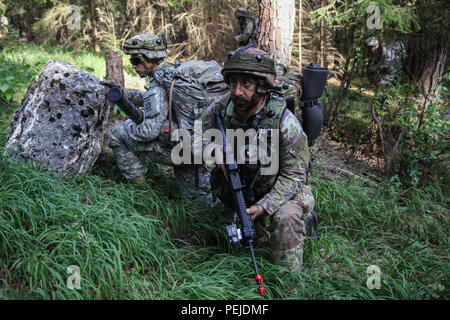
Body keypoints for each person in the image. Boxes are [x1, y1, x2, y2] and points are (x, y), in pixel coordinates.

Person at [194, 47, 315, 272]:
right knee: (252, 238)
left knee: (286, 218)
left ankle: (288, 284)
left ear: (262, 87)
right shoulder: (221, 109)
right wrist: (214, 152)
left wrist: (264, 206)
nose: (237, 91)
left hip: (281, 188)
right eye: (232, 83)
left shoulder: (283, 121)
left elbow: (295, 175)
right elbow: (196, 136)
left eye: (246, 84)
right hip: (244, 186)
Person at [104, 33, 212, 203]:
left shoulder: (158, 87)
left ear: (149, 59)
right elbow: (151, 98)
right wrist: (123, 93)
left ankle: (142, 194)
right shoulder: (172, 75)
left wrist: (130, 124)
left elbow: (147, 132)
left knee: (117, 135)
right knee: (199, 201)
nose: (133, 66)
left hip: (178, 150)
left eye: (135, 61)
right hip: (199, 146)